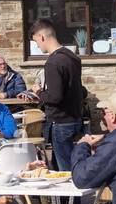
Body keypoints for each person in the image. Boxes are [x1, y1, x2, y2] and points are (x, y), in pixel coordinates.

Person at [30, 19, 84, 169]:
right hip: (74, 118)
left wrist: (38, 91)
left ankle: (70, 193)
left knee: (65, 169)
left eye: (36, 42)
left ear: (41, 37)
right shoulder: (72, 57)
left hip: (60, 122)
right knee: (72, 164)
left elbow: (55, 97)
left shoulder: (53, 62)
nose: (38, 46)